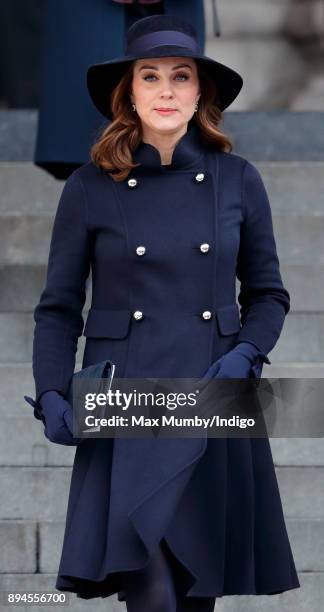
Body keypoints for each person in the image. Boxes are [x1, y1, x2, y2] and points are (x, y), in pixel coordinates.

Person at [25, 14, 300, 611]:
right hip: (126, 397)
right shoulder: (88, 187)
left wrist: (246, 356)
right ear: (130, 92)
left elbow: (268, 294)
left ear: (202, 91)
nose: (167, 90)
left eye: (182, 76)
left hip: (212, 392)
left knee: (195, 592)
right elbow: (58, 309)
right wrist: (51, 392)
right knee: (150, 593)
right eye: (151, 77)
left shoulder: (239, 181)